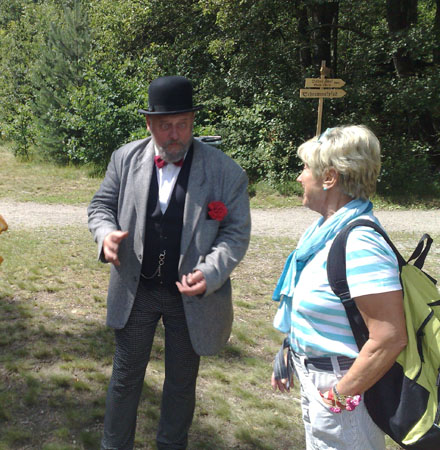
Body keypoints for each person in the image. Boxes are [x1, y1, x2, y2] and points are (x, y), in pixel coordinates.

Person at [88, 75, 251, 449]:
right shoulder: (124, 158)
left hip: (190, 298)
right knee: (125, 378)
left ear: (193, 121)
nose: (175, 134)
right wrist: (105, 234)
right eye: (166, 126)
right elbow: (100, 207)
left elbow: (235, 234)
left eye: (183, 124)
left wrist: (210, 273)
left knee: (180, 384)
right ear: (149, 124)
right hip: (137, 289)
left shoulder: (226, 172)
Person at [270, 125, 408, 449]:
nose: (299, 177)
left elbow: (390, 337)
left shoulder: (360, 242)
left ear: (329, 177)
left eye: (305, 168)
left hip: (342, 393)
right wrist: (290, 352)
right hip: (318, 380)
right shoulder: (322, 233)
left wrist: (339, 394)